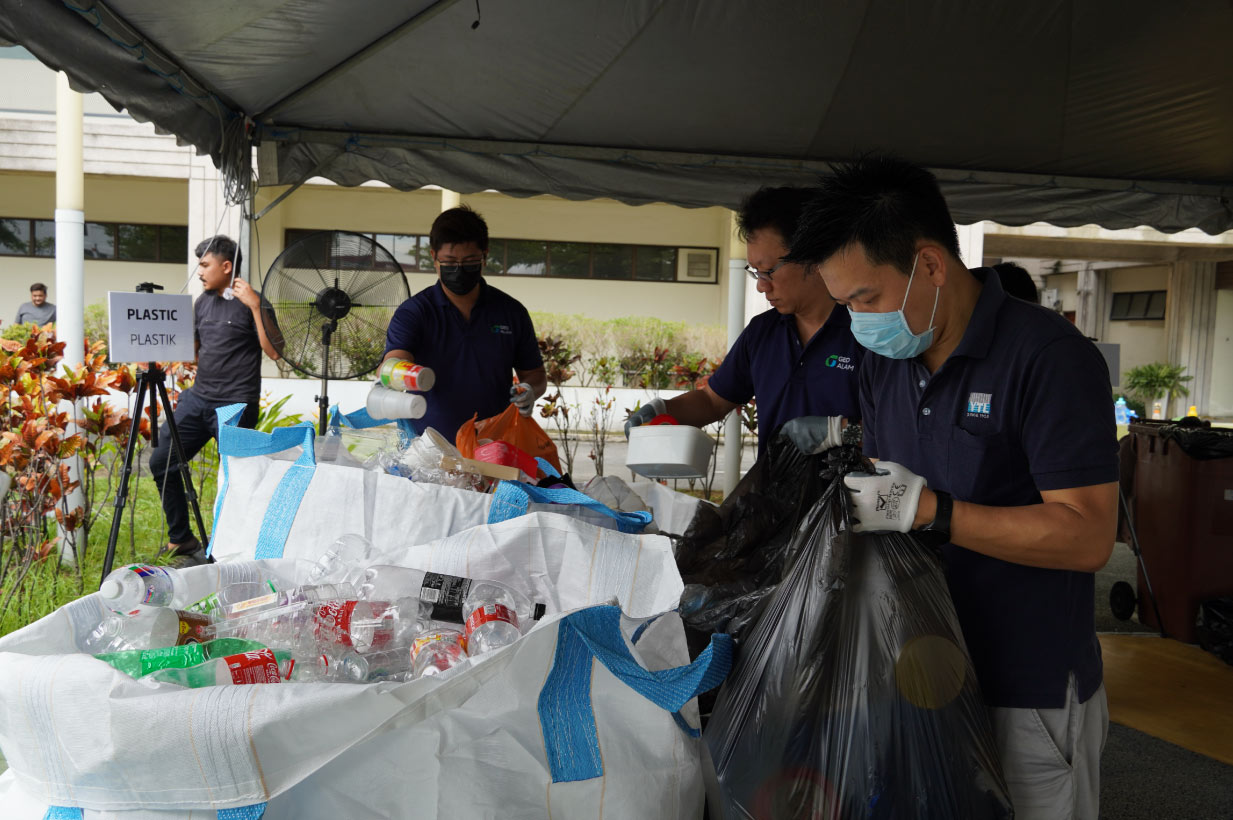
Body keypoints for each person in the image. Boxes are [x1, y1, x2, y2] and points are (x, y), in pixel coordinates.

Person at [785, 155, 1117, 820]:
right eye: (844, 305)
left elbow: (1086, 536)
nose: (857, 321)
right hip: (918, 664)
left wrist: (932, 512)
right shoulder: (884, 362)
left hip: (1026, 682)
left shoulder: (1048, 358)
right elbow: (885, 489)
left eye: (866, 299)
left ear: (930, 265)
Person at [622, 187, 864, 455]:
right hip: (773, 493)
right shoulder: (764, 331)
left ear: (814, 257)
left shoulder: (867, 333)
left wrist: (839, 431)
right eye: (755, 272)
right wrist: (663, 411)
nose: (762, 286)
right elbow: (712, 400)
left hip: (855, 495)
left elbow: (901, 430)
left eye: (768, 271)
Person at [150, 235, 283, 566]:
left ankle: (226, 553)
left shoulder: (255, 302)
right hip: (198, 399)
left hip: (236, 405)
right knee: (161, 462)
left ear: (227, 266)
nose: (199, 272)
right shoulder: (203, 301)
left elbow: (275, 351)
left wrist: (254, 305)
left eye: (205, 265)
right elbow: (194, 351)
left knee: (236, 481)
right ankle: (182, 539)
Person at [383, 206, 547, 440]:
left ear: (485, 256)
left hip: (495, 446)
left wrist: (530, 390)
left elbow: (535, 374)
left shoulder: (511, 312)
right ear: (434, 258)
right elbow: (394, 362)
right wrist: (397, 370)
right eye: (449, 262)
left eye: (469, 262)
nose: (459, 271)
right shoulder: (415, 312)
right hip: (427, 447)